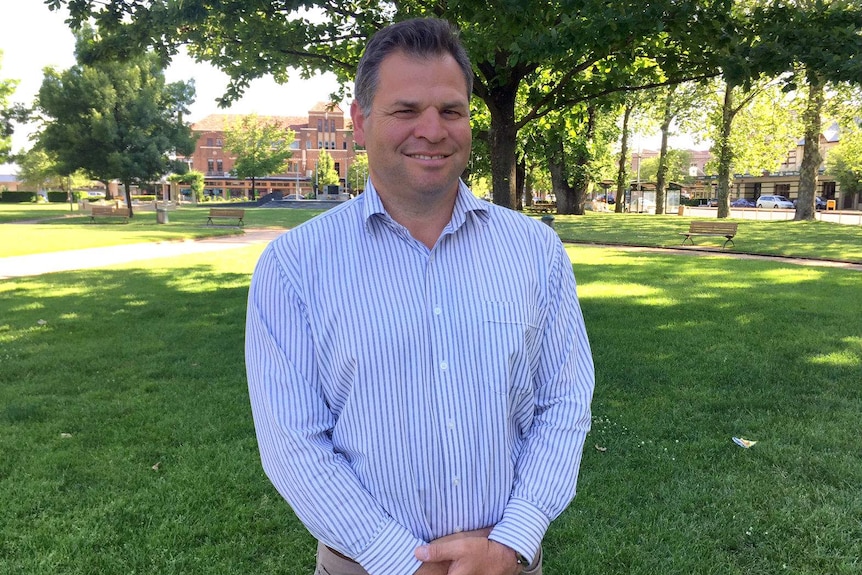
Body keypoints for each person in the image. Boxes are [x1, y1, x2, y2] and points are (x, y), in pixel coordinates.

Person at [245, 17, 595, 575]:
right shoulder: (293, 268)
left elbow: (565, 403)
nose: (431, 130)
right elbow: (294, 444)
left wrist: (513, 540)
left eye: (451, 111)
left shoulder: (536, 252)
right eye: (405, 111)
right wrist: (403, 563)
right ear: (360, 122)